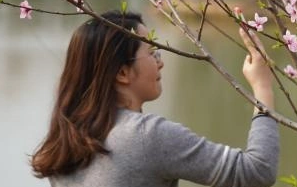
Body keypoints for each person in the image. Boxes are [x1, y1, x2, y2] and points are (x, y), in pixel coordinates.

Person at [31, 10, 279, 187]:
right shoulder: (147, 136)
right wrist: (263, 88)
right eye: (152, 53)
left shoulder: (68, 140)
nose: (160, 62)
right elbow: (258, 172)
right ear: (122, 73)